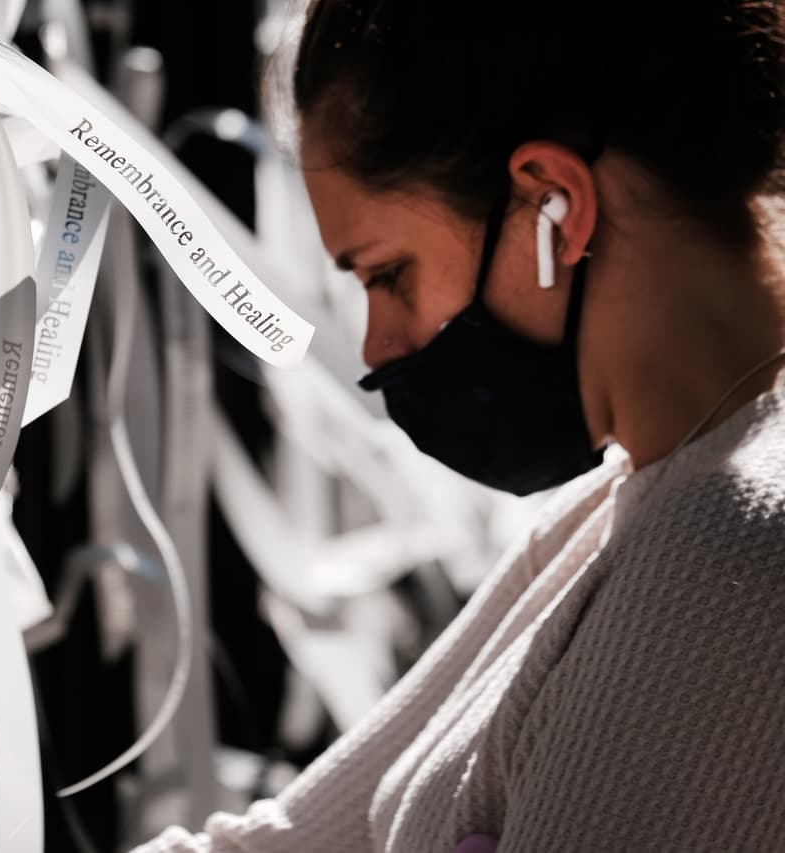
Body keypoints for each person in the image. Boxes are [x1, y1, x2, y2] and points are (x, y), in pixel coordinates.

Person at [134, 1, 785, 850]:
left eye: (388, 275)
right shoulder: (616, 509)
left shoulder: (730, 555)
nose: (377, 346)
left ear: (554, 203)